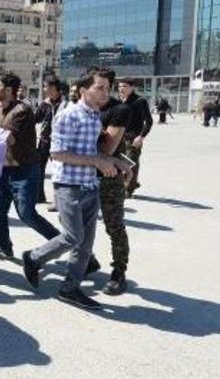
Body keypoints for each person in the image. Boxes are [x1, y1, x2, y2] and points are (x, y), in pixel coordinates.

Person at [21, 69, 132, 310]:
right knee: (73, 237)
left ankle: (70, 288)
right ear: (84, 90)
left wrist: (115, 161)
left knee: (85, 244)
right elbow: (57, 153)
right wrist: (97, 162)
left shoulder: (94, 116)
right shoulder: (69, 115)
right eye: (99, 88)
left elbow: (93, 151)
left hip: (90, 185)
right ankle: (33, 257)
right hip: (69, 186)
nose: (106, 92)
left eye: (107, 88)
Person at [0, 73, 62, 261]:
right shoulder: (0, 107)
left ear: (9, 90)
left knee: (27, 215)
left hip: (24, 170)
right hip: (3, 169)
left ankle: (64, 243)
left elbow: (9, 137)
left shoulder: (22, 110)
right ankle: (5, 247)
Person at [96, 68, 132, 296]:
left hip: (108, 177)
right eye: (96, 86)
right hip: (80, 174)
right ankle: (85, 261)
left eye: (104, 87)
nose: (100, 91)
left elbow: (107, 147)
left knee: (114, 225)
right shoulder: (81, 109)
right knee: (74, 225)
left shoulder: (118, 110)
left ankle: (119, 272)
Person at [35, 77, 67, 211]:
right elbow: (36, 119)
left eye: (45, 86)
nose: (43, 89)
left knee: (59, 172)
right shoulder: (45, 104)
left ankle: (59, 201)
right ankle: (38, 196)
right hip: (44, 142)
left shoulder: (66, 104)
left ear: (54, 88)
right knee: (38, 169)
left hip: (60, 144)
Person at [117, 78, 153, 197]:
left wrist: (141, 137)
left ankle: (129, 189)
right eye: (120, 86)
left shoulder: (139, 101)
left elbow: (149, 121)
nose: (121, 88)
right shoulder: (120, 101)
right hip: (120, 138)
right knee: (122, 163)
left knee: (131, 163)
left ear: (132, 88)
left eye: (125, 86)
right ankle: (131, 183)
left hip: (134, 138)